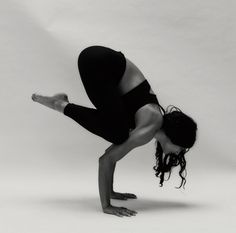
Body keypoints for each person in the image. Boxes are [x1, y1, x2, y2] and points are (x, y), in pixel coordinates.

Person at [31, 45, 197, 217]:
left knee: (118, 132)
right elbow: (105, 160)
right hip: (98, 63)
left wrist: (111, 192)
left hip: (98, 59)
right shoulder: (148, 129)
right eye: (182, 148)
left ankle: (60, 103)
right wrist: (107, 206)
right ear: (175, 138)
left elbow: (111, 155)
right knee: (118, 133)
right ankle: (60, 105)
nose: (179, 152)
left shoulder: (153, 118)